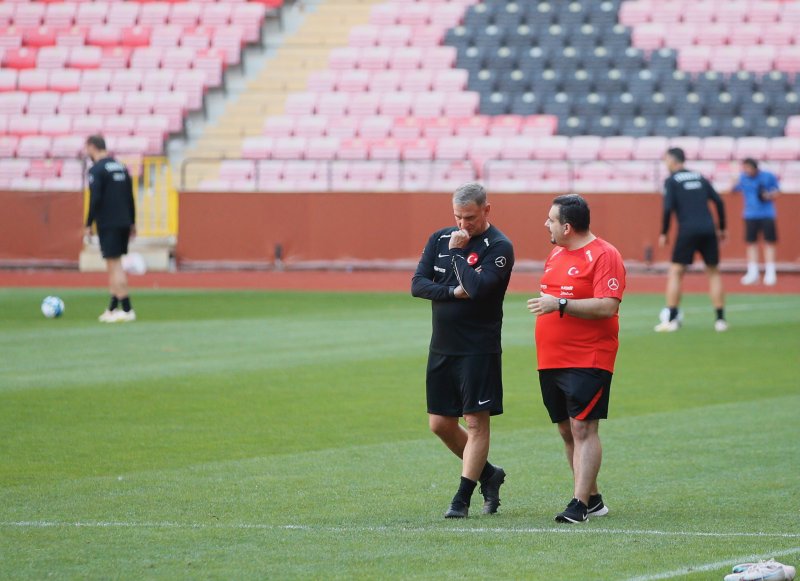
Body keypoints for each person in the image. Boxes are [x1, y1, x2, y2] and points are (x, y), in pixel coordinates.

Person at [411, 182, 515, 519]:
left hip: (478, 348)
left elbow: (479, 289)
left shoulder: (498, 247)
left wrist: (458, 256)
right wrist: (452, 293)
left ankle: (462, 498)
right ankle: (489, 474)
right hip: (442, 346)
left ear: (486, 209)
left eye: (469, 217)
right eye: (457, 217)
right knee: (440, 424)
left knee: (475, 423)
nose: (462, 224)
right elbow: (418, 285)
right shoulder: (439, 238)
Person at [527, 194, 626, 524]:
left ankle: (579, 503)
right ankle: (593, 499)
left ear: (567, 227)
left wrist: (561, 304)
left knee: (583, 426)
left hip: (589, 355)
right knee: (566, 430)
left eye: (551, 220)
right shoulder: (556, 253)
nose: (546, 224)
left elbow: (608, 305)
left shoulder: (605, 255)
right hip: (550, 357)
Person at [656, 147, 727, 333]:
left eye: (666, 160)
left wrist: (664, 232)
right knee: (713, 272)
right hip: (708, 229)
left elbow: (667, 208)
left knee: (676, 272)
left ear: (673, 160)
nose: (665, 163)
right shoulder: (700, 177)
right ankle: (720, 320)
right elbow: (719, 201)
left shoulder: (672, 181)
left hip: (687, 230)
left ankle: (671, 319)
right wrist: (722, 228)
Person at [84, 135, 137, 323]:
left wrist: (88, 223)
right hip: (124, 221)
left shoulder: (97, 170)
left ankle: (127, 308)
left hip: (109, 221)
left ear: (92, 147)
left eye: (87, 148)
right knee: (112, 263)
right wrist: (133, 222)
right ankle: (113, 307)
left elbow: (95, 198)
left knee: (115, 265)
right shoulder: (121, 167)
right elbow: (130, 196)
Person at [731, 158, 780, 286]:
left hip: (767, 214)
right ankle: (753, 272)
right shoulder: (743, 177)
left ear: (755, 167)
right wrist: (733, 175)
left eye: (748, 168)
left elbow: (777, 191)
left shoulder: (768, 176)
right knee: (751, 243)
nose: (746, 170)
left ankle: (770, 272)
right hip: (750, 214)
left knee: (769, 242)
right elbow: (733, 189)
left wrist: (768, 195)